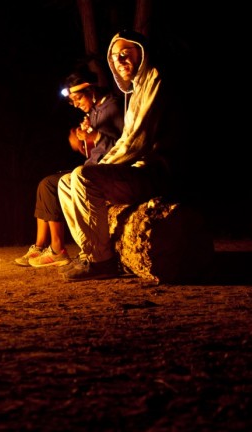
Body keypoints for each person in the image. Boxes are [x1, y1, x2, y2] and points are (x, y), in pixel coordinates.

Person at [57, 29, 190, 281]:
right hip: (137, 172)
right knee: (65, 183)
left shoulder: (154, 80)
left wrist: (102, 165)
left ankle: (101, 261)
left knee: (83, 176)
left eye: (126, 53)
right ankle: (89, 252)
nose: (120, 60)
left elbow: (135, 142)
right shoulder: (134, 91)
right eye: (115, 57)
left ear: (141, 51)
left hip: (156, 174)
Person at [14, 71, 124, 268]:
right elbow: (94, 151)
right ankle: (40, 246)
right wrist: (82, 143)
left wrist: (95, 136)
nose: (76, 104)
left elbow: (124, 145)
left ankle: (58, 249)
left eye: (78, 98)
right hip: (92, 167)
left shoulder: (114, 107)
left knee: (50, 184)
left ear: (91, 90)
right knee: (46, 184)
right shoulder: (94, 112)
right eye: (72, 101)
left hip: (106, 172)